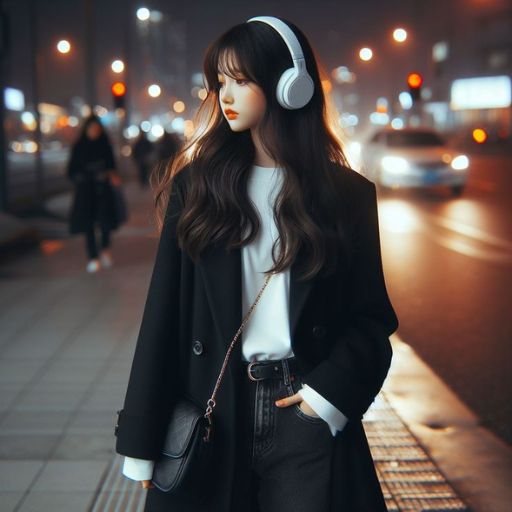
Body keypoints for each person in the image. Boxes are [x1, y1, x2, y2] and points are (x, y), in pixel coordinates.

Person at [114, 15, 399, 512]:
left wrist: (326, 399)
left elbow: (371, 319)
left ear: (291, 86)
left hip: (303, 407)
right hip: (214, 412)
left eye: (241, 81)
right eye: (220, 81)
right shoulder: (198, 188)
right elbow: (162, 318)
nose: (225, 95)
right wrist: (141, 439)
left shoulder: (346, 196)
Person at [67, 115, 122, 273]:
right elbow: (71, 171)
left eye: (97, 129)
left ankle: (105, 249)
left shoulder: (105, 145)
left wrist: (110, 175)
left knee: (105, 222)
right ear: (86, 129)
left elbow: (113, 167)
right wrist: (83, 177)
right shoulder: (79, 146)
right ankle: (93, 257)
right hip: (86, 192)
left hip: (103, 190)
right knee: (88, 225)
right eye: (92, 129)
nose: (94, 132)